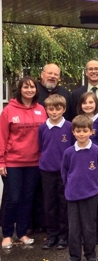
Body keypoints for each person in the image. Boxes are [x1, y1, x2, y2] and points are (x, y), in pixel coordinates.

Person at [0, 76, 47, 249]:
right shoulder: (9, 110)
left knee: (27, 198)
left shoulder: (41, 109)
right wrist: (1, 161)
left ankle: (22, 233)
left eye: (32, 87)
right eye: (25, 87)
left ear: (36, 90)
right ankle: (6, 234)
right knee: (13, 198)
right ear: (20, 89)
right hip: (13, 162)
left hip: (34, 162)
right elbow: (2, 137)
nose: (29, 90)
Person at [60, 115, 98, 261]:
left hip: (90, 195)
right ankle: (74, 258)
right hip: (72, 195)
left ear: (91, 132)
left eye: (85, 131)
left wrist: (97, 190)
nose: (81, 134)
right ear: (73, 132)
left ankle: (91, 255)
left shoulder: (97, 151)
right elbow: (64, 172)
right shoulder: (68, 152)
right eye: (78, 131)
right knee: (74, 229)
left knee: (89, 227)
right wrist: (69, 188)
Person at [38, 95, 74, 250]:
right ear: (46, 109)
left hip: (64, 172)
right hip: (47, 170)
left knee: (63, 204)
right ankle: (52, 235)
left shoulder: (69, 127)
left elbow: (73, 148)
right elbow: (41, 146)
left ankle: (63, 236)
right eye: (51, 109)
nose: (54, 112)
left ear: (64, 109)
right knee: (50, 204)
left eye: (58, 108)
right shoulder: (42, 128)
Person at [76, 91, 98, 243]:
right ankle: (84, 233)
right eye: (85, 103)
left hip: (95, 165)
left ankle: (97, 233)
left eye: (91, 102)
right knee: (83, 202)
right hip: (81, 165)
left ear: (96, 105)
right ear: (80, 105)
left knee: (96, 202)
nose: (88, 105)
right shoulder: (77, 121)